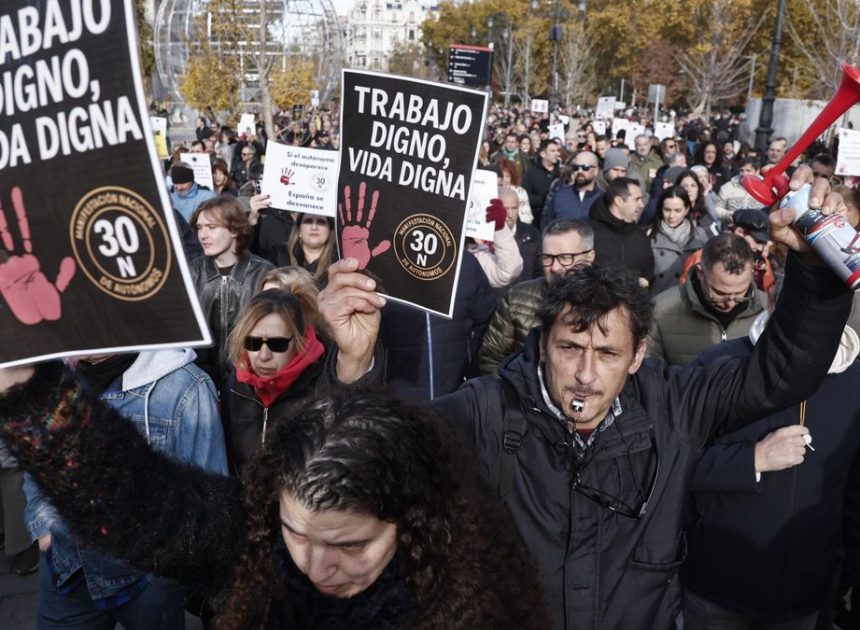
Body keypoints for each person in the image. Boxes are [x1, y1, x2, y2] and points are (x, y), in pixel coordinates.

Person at [313, 166, 853, 629]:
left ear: (638, 354)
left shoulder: (675, 404)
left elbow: (782, 373)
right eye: (570, 347)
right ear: (542, 344)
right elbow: (373, 462)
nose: (586, 375)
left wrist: (810, 271)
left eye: (608, 353)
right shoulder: (487, 409)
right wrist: (354, 363)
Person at [682, 308, 860, 629]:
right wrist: (752, 459)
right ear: (776, 299)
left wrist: (844, 578)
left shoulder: (856, 383)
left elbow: (854, 496)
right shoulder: (719, 364)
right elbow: (673, 466)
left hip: (805, 597)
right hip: (716, 591)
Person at [24, 350, 227, 629]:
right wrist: (44, 530)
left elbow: (209, 497)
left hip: (148, 579)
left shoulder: (185, 387)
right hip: (66, 570)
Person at [478, 218, 595, 375]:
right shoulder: (517, 300)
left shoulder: (610, 304)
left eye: (565, 258)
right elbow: (490, 361)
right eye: (547, 257)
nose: (554, 267)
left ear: (590, 257)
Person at [189, 197, 274, 388]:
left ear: (235, 229)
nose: (203, 235)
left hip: (249, 385)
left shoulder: (264, 274)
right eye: (199, 227)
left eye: (211, 227)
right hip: (200, 383)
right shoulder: (190, 272)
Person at [647, 233, 766, 367]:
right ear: (700, 273)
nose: (731, 303)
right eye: (719, 293)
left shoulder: (768, 312)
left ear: (752, 275)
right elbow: (649, 376)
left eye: (740, 293)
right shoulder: (660, 311)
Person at [589, 177, 654, 288]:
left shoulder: (641, 237)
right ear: (618, 201)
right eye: (636, 199)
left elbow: (648, 272)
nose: (641, 205)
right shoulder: (589, 234)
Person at [647, 186, 709, 295]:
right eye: (667, 210)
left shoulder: (700, 235)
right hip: (659, 298)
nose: (671, 216)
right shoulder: (650, 236)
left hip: (690, 299)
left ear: (686, 210)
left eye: (677, 210)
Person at [541, 151, 603, 228]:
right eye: (576, 167)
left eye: (585, 167)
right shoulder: (560, 196)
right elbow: (546, 226)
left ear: (596, 171)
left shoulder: (603, 199)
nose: (579, 171)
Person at [273, 213, 336, 288]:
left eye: (321, 222)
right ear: (299, 230)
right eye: (308, 221)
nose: (314, 227)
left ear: (329, 230)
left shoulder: (339, 260)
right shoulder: (279, 254)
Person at [499, 187, 542, 285]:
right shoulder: (486, 237)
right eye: (505, 209)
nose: (510, 214)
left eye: (514, 208)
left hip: (524, 296)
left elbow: (540, 271)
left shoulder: (532, 234)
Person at [522, 139, 561, 226]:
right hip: (538, 222)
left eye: (557, 151)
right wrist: (545, 199)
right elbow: (526, 197)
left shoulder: (562, 173)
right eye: (552, 151)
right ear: (543, 154)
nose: (557, 154)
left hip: (559, 221)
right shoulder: (532, 173)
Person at [496, 157, 534, 224]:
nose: (504, 179)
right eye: (501, 175)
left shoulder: (520, 193)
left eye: (507, 176)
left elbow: (527, 217)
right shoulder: (489, 190)